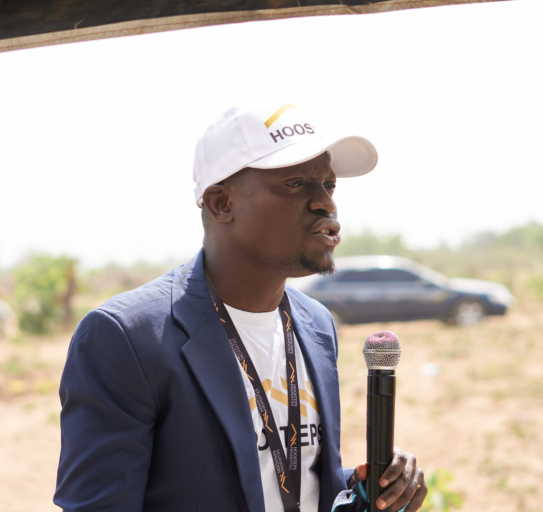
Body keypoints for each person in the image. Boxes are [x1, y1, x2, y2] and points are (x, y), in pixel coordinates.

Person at [54, 99, 427, 512]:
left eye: (329, 184)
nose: (326, 202)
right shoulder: (128, 337)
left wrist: (367, 490)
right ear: (222, 204)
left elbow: (290, 481)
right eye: (296, 183)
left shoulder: (316, 325)